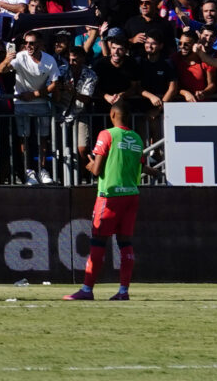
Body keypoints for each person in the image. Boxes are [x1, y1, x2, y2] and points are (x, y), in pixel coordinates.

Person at [70, 102, 143, 301]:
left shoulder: (106, 134)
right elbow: (138, 165)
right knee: (125, 242)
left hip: (110, 195)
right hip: (131, 194)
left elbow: (96, 170)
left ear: (112, 114)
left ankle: (87, 289)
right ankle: (123, 291)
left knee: (98, 241)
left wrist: (89, 164)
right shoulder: (137, 138)